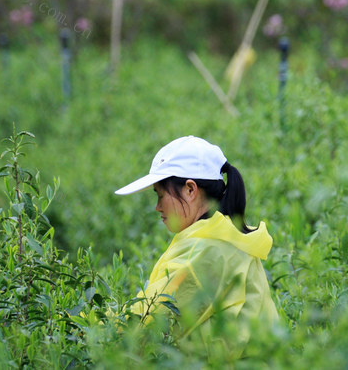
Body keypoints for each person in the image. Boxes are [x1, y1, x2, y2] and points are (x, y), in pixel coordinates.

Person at [114, 135, 280, 358]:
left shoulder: (206, 251)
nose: (157, 207)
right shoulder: (228, 238)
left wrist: (86, 326)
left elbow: (144, 321)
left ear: (190, 190)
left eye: (161, 195)